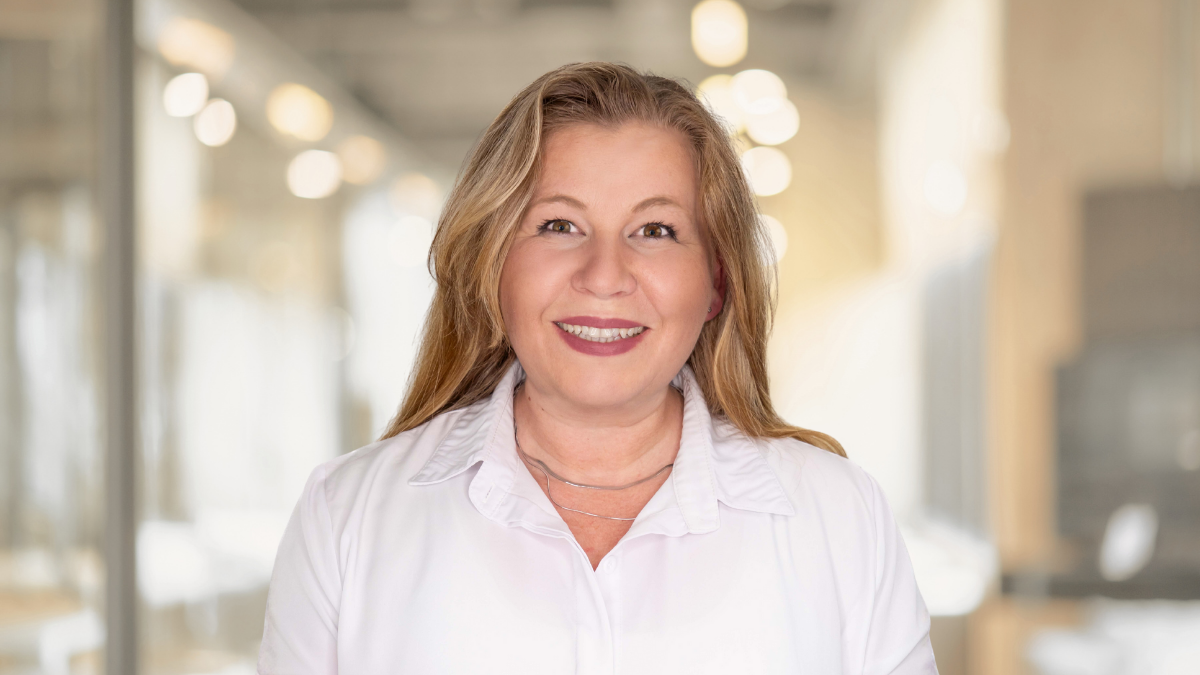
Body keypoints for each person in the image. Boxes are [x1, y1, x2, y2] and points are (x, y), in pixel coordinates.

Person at [258, 62, 937, 674]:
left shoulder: (840, 519)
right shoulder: (346, 518)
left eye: (656, 230)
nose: (605, 274)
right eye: (559, 225)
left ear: (716, 285)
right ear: (495, 265)